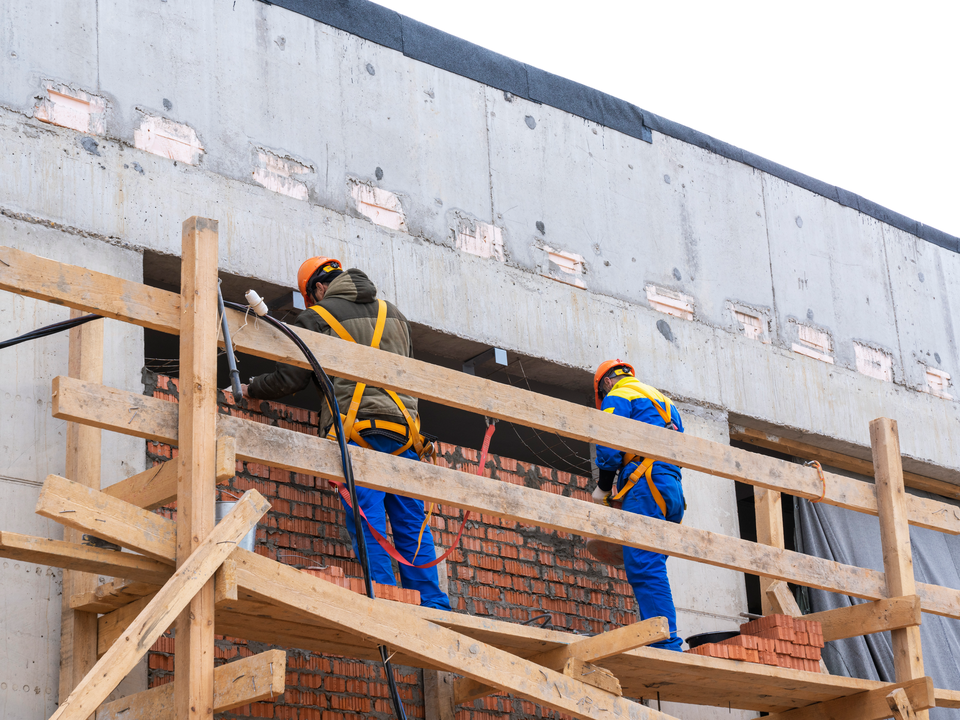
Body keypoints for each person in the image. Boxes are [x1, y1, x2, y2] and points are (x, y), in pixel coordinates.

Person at [239, 256, 451, 611]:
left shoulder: (316, 318)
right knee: (412, 525)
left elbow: (290, 379)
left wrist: (251, 389)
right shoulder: (395, 315)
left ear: (318, 288)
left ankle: (385, 598)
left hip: (357, 435)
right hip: (404, 434)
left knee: (369, 523)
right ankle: (433, 605)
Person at [591, 359, 685, 651]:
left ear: (606, 383)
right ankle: (658, 636)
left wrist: (604, 486)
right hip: (671, 489)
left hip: (647, 485)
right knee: (650, 564)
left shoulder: (619, 395)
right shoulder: (665, 403)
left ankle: (665, 642)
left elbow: (609, 443)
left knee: (644, 565)